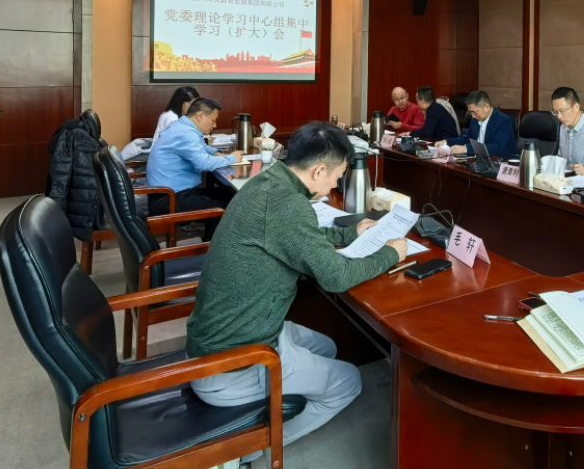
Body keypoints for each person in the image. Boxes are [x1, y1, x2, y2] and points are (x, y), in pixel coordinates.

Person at [186, 122, 406, 459]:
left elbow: (298, 235)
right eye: (336, 177)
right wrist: (390, 254)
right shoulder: (289, 206)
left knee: (328, 347)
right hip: (236, 362)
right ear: (318, 171)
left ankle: (294, 386)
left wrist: (350, 233)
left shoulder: (268, 183)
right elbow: (336, 277)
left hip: (233, 332)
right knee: (348, 381)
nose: (335, 185)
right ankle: (253, 449)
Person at [145, 97, 242, 241]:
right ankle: (212, 250)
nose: (215, 125)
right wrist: (232, 158)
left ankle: (211, 242)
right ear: (200, 115)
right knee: (225, 210)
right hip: (168, 199)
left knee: (229, 196)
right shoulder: (185, 133)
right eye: (213, 120)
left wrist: (216, 153)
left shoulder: (181, 126)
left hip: (172, 193)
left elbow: (203, 148)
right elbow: (204, 163)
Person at [437, 90, 518, 158]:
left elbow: (496, 148)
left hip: (501, 162)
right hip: (479, 160)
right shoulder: (476, 119)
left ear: (486, 107)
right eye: (470, 112)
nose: (472, 116)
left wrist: (465, 149)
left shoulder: (503, 121)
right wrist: (446, 142)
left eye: (475, 112)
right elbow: (466, 138)